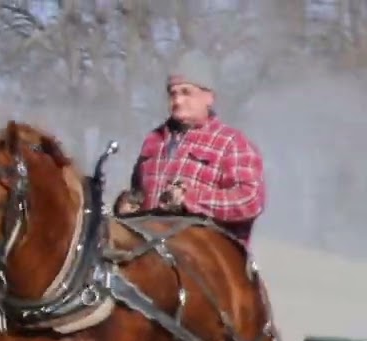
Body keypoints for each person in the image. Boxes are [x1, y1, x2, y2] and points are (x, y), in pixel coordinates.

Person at [114, 50, 267, 245]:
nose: (177, 101)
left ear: (209, 97)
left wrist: (191, 199)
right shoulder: (154, 140)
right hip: (152, 255)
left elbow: (251, 200)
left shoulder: (232, 143)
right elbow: (138, 192)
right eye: (173, 93)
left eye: (186, 92)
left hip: (208, 261)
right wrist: (127, 205)